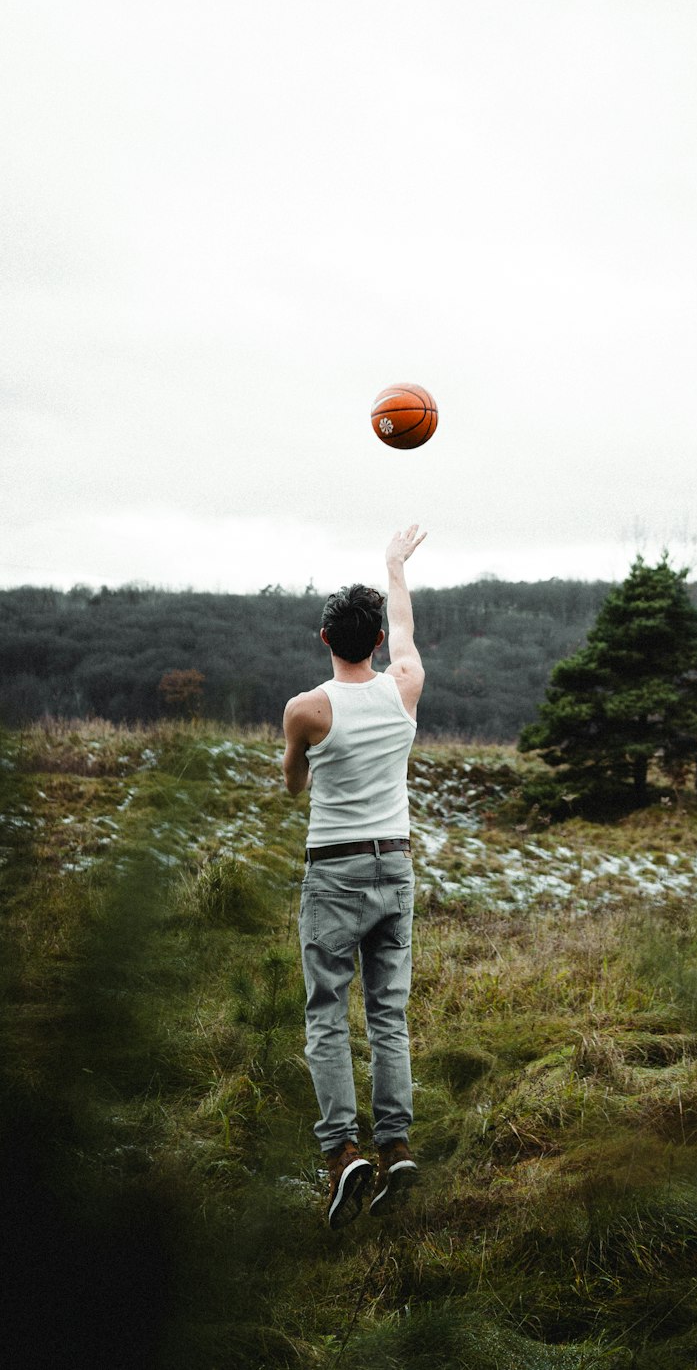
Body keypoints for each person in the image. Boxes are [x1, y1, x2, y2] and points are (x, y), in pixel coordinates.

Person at [282, 523, 426, 1230]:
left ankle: (343, 1154)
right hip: (394, 863)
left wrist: (303, 760)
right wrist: (395, 564)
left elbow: (292, 785)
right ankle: (395, 1143)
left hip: (334, 870)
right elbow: (407, 626)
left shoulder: (306, 710)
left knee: (326, 1015)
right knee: (388, 1013)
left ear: (323, 637)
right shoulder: (405, 689)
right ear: (374, 642)